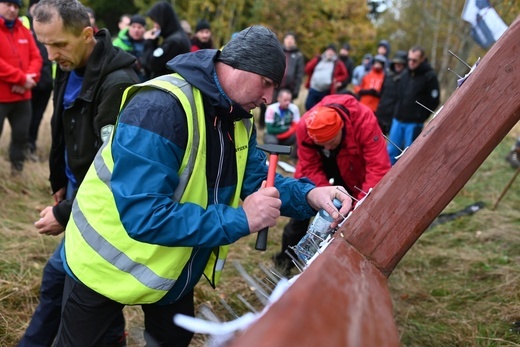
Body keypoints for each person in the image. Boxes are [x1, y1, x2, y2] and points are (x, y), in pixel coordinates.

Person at [52, 25, 352, 347]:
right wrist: (241, 219)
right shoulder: (160, 108)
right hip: (102, 264)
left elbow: (255, 179)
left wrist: (310, 193)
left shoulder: (238, 118)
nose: (267, 98)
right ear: (237, 66)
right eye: (266, 83)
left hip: (171, 269)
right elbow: (144, 214)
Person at [17, 0, 140, 346]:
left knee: (68, 285)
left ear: (87, 35)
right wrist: (59, 181)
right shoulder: (67, 65)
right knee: (65, 284)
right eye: (44, 44)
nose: (51, 54)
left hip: (100, 208)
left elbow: (115, 168)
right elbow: (64, 129)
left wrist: (65, 211)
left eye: (58, 44)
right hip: (75, 195)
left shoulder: (118, 84)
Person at [273, 93, 391, 274]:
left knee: (353, 215)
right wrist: (324, 199)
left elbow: (377, 168)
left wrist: (354, 208)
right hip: (320, 165)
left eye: (330, 142)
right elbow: (309, 167)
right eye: (322, 144)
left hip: (354, 168)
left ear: (341, 128)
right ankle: (285, 260)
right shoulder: (306, 126)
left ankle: (351, 263)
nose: (327, 147)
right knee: (300, 214)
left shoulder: (364, 120)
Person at [0, 0, 42, 175]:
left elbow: (37, 58)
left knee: (21, 137)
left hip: (23, 97)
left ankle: (17, 174)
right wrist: (21, 79)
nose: (12, 9)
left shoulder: (24, 30)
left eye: (16, 6)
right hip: (2, 97)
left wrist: (27, 80)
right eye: (8, 4)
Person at [387, 45, 440, 165]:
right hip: (398, 119)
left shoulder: (429, 76)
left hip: (414, 122)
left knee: (408, 155)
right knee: (391, 151)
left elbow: (434, 100)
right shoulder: (405, 74)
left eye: (414, 60)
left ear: (422, 59)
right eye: (409, 59)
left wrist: (421, 116)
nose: (411, 63)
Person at [25, 0, 54, 162]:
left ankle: (31, 146)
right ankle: (21, 148)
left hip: (46, 82)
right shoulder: (23, 27)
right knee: (25, 119)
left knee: (37, 118)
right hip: (29, 83)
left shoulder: (51, 25)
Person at [258, 32, 305, 129]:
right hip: (275, 86)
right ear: (284, 40)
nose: (289, 41)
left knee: (286, 109)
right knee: (271, 107)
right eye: (288, 38)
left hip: (289, 88)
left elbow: (299, 74)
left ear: (294, 42)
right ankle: (267, 126)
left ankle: (285, 129)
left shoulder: (298, 56)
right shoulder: (278, 52)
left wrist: (296, 90)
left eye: (292, 39)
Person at [142, 1, 190, 79]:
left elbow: (153, 64)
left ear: (163, 20)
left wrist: (149, 41)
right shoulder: (178, 37)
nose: (155, 26)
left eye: (156, 22)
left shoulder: (173, 42)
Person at [304, 44, 348, 111]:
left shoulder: (337, 63)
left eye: (332, 51)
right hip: (314, 88)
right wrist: (315, 60)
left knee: (322, 109)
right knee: (308, 106)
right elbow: (307, 69)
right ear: (326, 51)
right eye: (329, 50)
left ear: (334, 53)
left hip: (326, 91)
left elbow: (344, 74)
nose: (330, 53)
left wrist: (336, 80)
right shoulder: (319, 59)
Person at [375, 50, 407, 135]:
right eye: (396, 63)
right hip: (382, 112)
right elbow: (382, 92)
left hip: (395, 116)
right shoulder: (388, 76)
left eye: (400, 63)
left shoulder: (406, 79)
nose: (398, 65)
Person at [263, 88, 300, 155]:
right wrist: (286, 129)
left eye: (289, 100)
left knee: (299, 135)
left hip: (287, 136)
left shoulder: (294, 108)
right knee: (273, 144)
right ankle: (273, 161)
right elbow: (270, 129)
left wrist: (284, 134)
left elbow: (296, 126)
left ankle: (293, 158)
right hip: (273, 135)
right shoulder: (271, 109)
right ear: (279, 99)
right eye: (285, 100)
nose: (288, 103)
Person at [113, 14, 147, 81]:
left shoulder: (148, 43)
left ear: (144, 29)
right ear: (129, 27)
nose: (136, 30)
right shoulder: (117, 43)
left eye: (139, 27)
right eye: (133, 27)